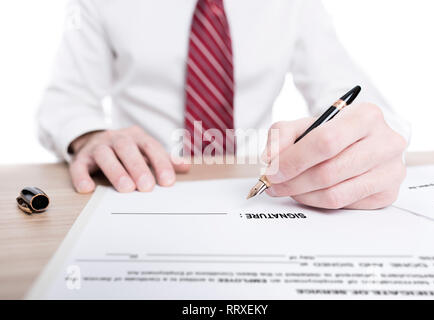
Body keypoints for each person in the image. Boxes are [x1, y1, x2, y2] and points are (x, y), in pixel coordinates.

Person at [37, 0, 410, 209]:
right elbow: (64, 101)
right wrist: (90, 136)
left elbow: (355, 98)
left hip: (248, 181)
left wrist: (365, 142)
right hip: (142, 185)